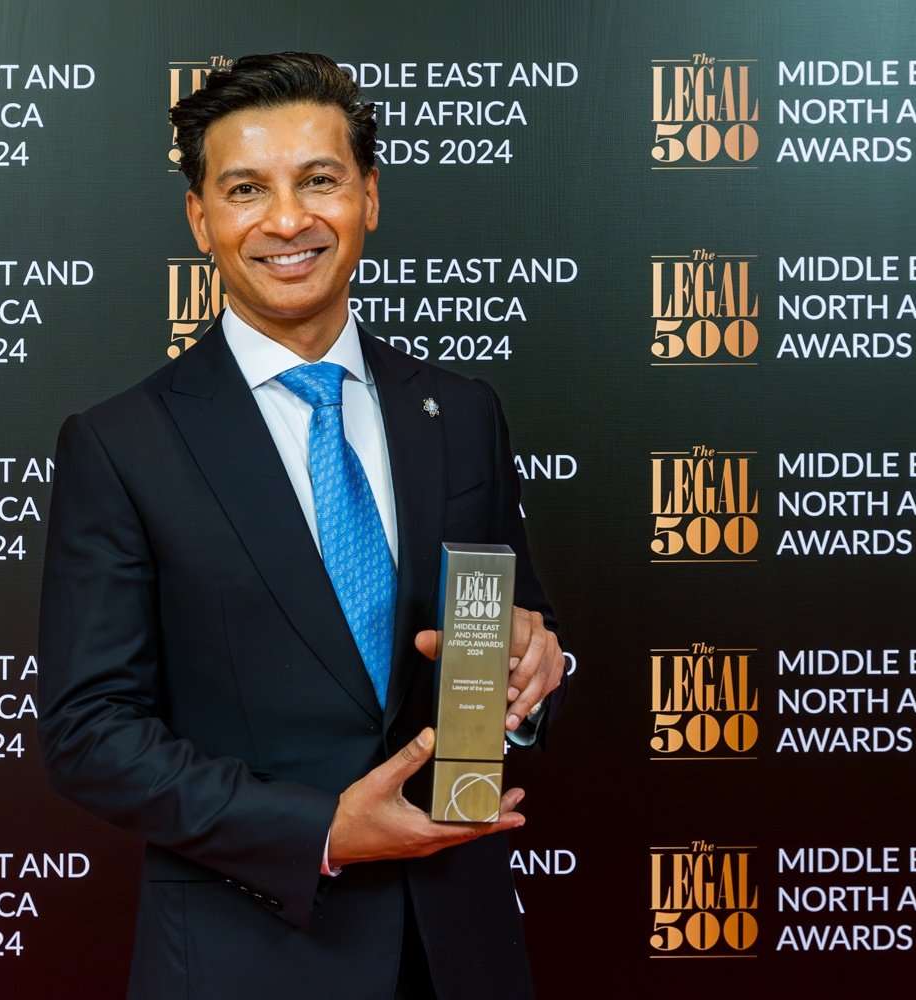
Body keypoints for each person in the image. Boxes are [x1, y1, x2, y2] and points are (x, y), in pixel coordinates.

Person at [38, 51, 564, 999]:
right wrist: (318, 830)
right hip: (249, 957)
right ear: (200, 218)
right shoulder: (121, 444)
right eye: (246, 189)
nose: (287, 220)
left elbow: (517, 632)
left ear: (369, 196)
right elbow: (91, 733)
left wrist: (535, 666)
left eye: (319, 179)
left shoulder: (461, 411)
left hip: (462, 951)